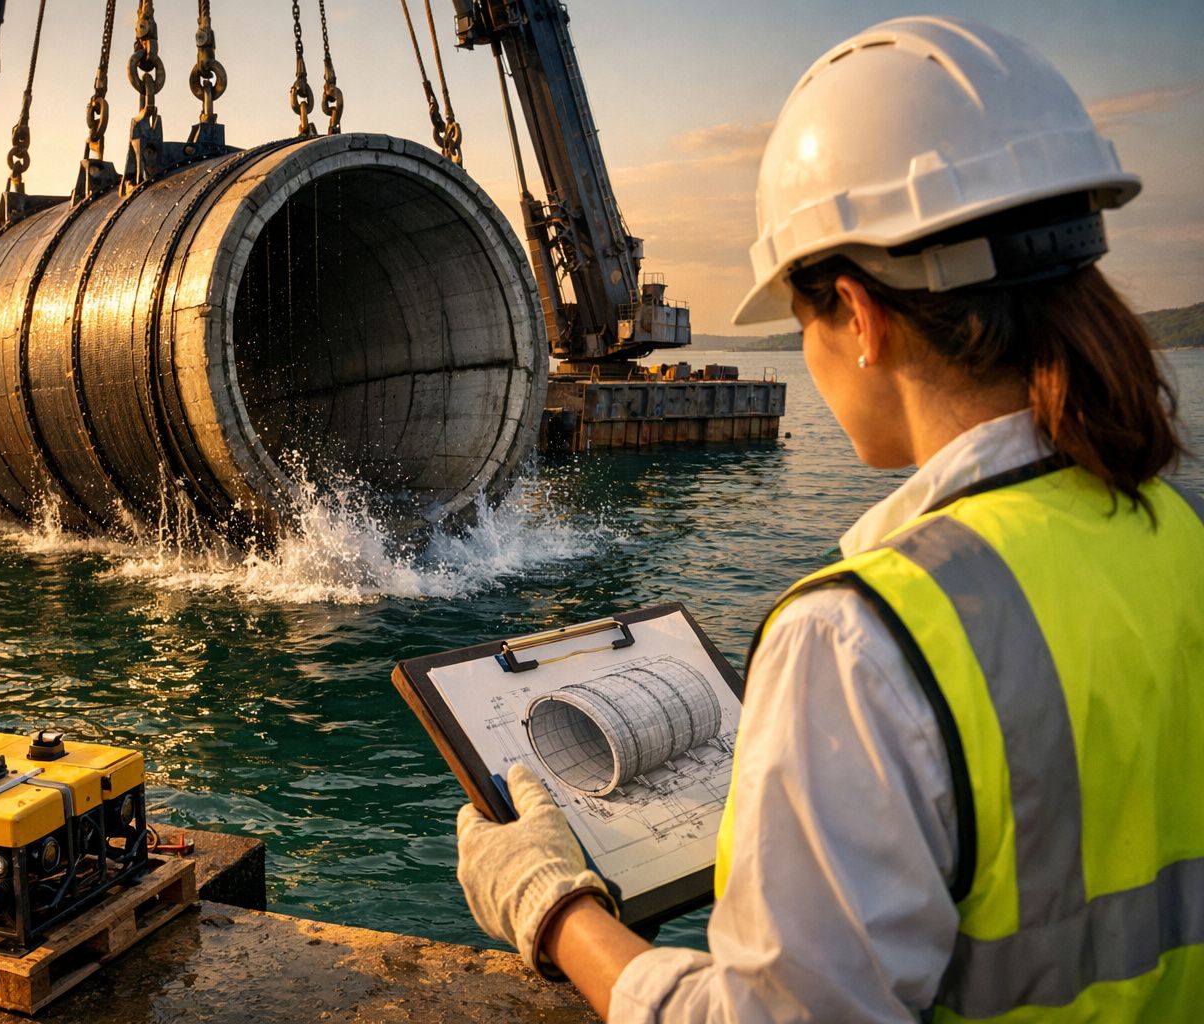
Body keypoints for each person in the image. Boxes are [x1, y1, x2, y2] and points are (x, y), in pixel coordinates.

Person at [455, 15, 1204, 1022]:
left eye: (799, 318)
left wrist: (553, 908)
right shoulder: (1179, 526)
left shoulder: (860, 642)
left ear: (861, 315)